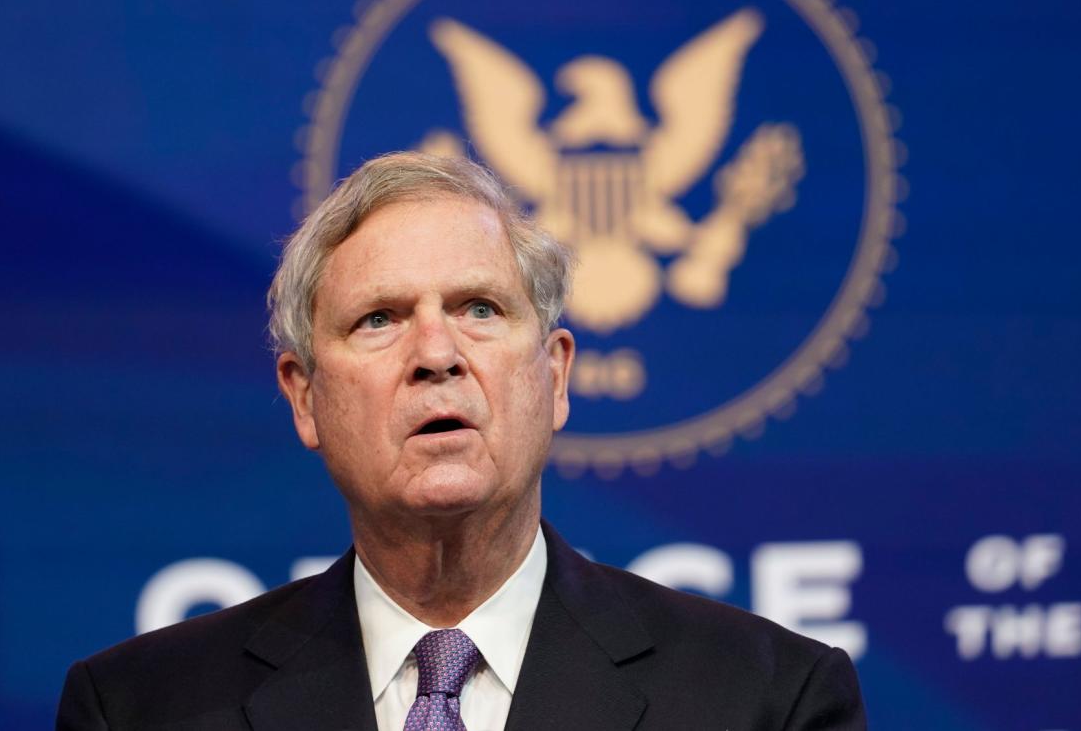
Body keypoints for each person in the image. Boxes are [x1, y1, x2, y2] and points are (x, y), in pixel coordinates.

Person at [57, 152, 865, 730]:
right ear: (305, 399)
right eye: (380, 319)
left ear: (553, 376)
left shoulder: (768, 700)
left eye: (480, 309)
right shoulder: (137, 708)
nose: (437, 354)